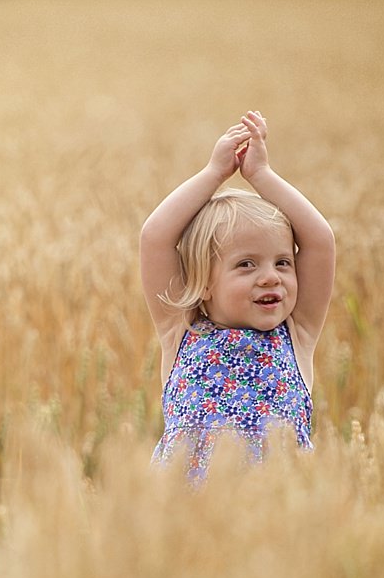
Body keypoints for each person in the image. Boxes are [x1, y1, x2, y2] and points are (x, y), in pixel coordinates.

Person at [140, 110, 336, 482]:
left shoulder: (298, 336)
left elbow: (320, 241)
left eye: (282, 262)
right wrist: (213, 173)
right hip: (188, 526)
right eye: (246, 265)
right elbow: (155, 238)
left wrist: (261, 176)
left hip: (277, 523)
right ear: (204, 283)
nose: (270, 278)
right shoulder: (180, 333)